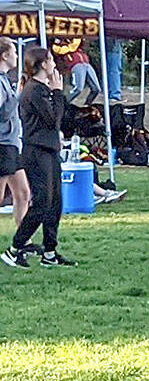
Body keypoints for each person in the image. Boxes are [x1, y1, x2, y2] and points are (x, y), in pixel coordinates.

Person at [2, 46, 72, 267]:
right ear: (42, 64)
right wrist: (58, 92)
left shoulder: (44, 89)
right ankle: (15, 248)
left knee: (55, 203)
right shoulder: (34, 90)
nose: (54, 64)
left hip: (50, 150)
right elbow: (53, 119)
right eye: (50, 60)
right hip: (36, 151)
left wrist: (56, 93)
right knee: (41, 202)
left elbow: (63, 117)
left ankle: (50, 252)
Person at [0, 40, 31, 237]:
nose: (17, 56)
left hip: (12, 144)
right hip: (2, 144)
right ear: (4, 55)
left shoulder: (5, 79)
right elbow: (3, 113)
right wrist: (18, 96)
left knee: (23, 193)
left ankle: (22, 241)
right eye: (13, 52)